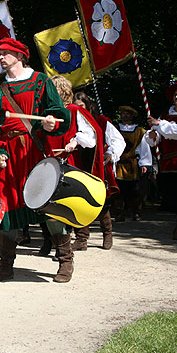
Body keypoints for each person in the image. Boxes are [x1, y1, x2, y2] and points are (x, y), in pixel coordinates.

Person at [0, 38, 71, 283]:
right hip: (8, 157)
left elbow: (59, 112)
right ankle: (5, 266)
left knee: (47, 205)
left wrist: (52, 122)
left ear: (20, 56)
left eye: (5, 53)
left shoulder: (41, 82)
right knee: (6, 209)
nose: (0, 57)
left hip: (35, 151)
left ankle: (65, 260)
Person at [44, 77, 102, 275]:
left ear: (61, 91)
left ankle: (65, 260)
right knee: (47, 210)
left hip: (67, 165)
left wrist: (74, 141)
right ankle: (53, 246)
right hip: (46, 165)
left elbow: (91, 136)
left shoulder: (75, 111)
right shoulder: (45, 114)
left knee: (60, 210)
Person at [72, 92, 123, 250]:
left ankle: (107, 233)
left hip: (98, 165)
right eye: (76, 106)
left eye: (81, 106)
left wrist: (111, 153)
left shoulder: (100, 121)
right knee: (79, 201)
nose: (78, 109)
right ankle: (81, 238)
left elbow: (118, 140)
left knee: (101, 201)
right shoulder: (71, 121)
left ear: (88, 106)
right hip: (79, 164)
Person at [145, 81, 177, 239]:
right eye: (176, 94)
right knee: (170, 193)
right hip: (168, 162)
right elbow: (157, 135)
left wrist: (160, 125)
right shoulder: (166, 114)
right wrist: (153, 135)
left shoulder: (163, 120)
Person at [114, 105, 152, 221]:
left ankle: (136, 211)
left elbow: (143, 148)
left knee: (135, 190)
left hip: (132, 164)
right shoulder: (115, 129)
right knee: (119, 189)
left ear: (131, 116)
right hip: (119, 164)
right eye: (123, 113)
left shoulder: (140, 131)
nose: (125, 115)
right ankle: (120, 212)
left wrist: (144, 163)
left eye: (127, 113)